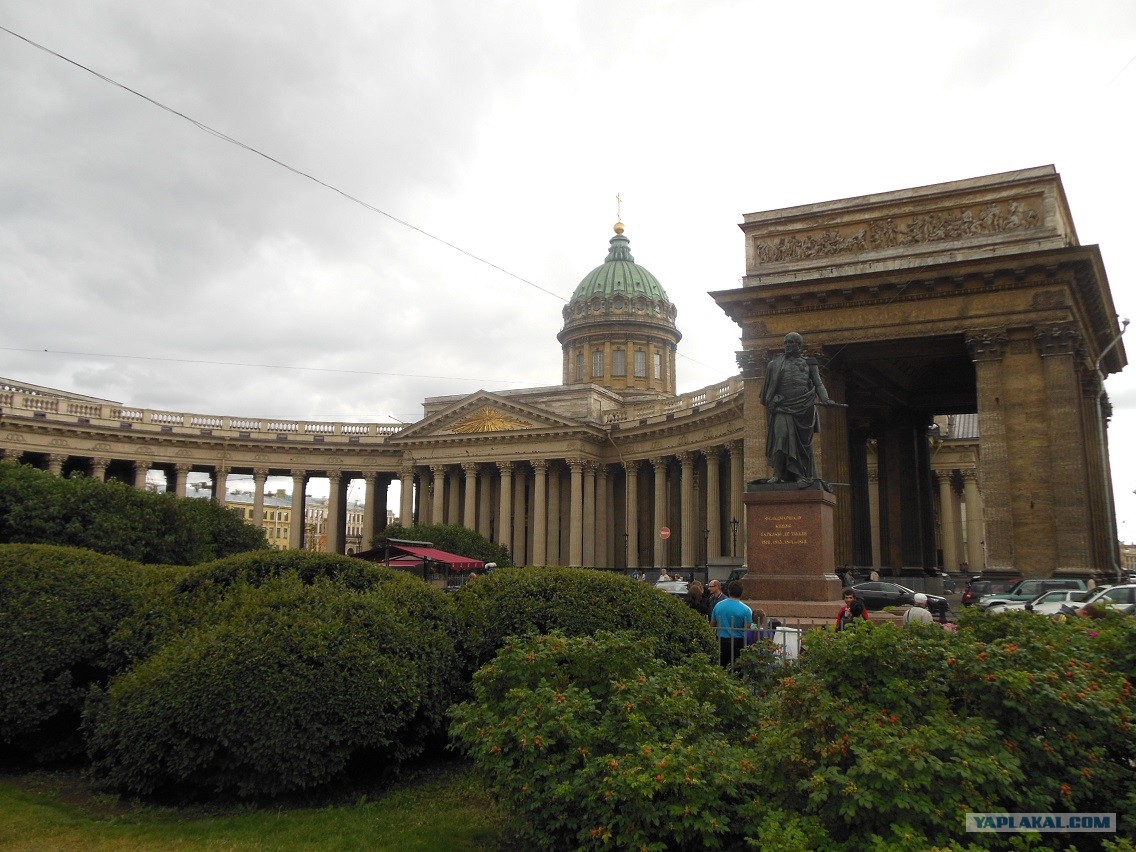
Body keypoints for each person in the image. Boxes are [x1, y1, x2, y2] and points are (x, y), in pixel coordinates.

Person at [761, 332, 846, 483]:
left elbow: (818, 384)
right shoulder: (774, 364)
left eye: (791, 342)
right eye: (786, 342)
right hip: (782, 407)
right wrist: (772, 400)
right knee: (781, 438)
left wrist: (826, 399)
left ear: (799, 345)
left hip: (803, 408)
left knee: (801, 445)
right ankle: (777, 474)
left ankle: (800, 474)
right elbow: (767, 390)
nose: (787, 345)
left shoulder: (809, 364)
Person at [711, 580, 753, 666]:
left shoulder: (718, 606)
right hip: (738, 642)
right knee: (737, 667)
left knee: (721, 666)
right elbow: (747, 628)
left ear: (729, 591)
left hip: (721, 640)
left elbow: (712, 624)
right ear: (741, 592)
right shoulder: (746, 610)